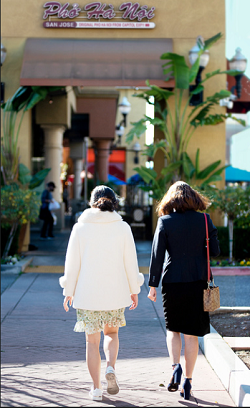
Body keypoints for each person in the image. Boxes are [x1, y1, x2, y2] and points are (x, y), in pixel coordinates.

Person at [59, 185, 144, 401]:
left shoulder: (80, 227)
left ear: (92, 202)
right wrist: (134, 289)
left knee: (91, 342)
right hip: (115, 294)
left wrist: (68, 291)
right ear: (114, 203)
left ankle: (96, 388)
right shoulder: (123, 227)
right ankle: (111, 367)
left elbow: (72, 264)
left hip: (87, 294)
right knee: (112, 334)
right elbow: (130, 263)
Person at [147, 181, 220, 400]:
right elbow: (215, 252)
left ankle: (175, 367)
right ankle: (188, 381)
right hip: (198, 282)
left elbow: (157, 256)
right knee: (191, 336)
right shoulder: (205, 221)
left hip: (172, 282)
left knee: (173, 330)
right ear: (194, 198)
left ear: (171, 199)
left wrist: (152, 286)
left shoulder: (165, 222)